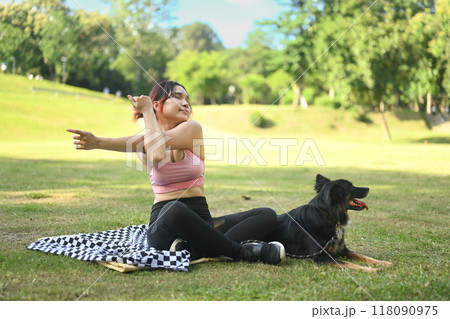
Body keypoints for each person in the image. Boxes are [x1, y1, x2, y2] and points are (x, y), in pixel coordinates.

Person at [67, 80, 285, 265]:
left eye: (187, 99)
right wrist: (96, 142)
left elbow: (155, 144)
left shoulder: (192, 129)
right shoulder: (145, 142)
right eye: (178, 97)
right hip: (166, 225)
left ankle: (194, 251)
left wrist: (146, 112)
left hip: (202, 221)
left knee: (266, 214)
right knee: (175, 209)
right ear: (157, 104)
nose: (186, 103)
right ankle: (240, 252)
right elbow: (156, 154)